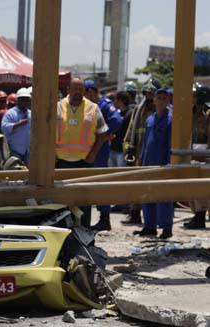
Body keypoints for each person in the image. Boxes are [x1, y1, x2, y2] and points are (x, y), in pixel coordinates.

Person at [56, 78, 109, 228]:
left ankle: (84, 234)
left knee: (84, 201)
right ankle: (64, 236)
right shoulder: (57, 107)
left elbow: (102, 133)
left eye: (81, 89)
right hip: (61, 163)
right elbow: (46, 132)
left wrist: (93, 154)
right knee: (62, 201)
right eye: (75, 89)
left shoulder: (93, 108)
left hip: (84, 163)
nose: (78, 93)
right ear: (68, 90)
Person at [83, 80, 123, 231]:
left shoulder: (104, 105)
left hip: (100, 151)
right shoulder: (87, 106)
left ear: (91, 91)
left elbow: (116, 121)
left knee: (99, 183)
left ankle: (104, 218)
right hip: (87, 149)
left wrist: (103, 135)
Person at [134, 88, 173, 239]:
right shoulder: (150, 119)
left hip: (163, 164)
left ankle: (166, 228)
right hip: (148, 163)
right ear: (154, 100)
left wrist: (170, 164)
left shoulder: (170, 120)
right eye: (159, 98)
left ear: (168, 101)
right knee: (147, 194)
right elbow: (145, 142)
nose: (161, 100)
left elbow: (171, 145)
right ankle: (149, 226)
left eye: (164, 98)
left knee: (164, 196)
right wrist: (141, 159)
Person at [122, 77, 161, 225]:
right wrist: (129, 149)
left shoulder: (164, 112)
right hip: (139, 155)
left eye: (152, 93)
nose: (149, 96)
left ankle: (154, 218)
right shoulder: (138, 110)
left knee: (155, 187)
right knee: (136, 185)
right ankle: (135, 214)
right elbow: (130, 131)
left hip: (156, 156)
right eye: (147, 93)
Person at [184, 83, 210, 229]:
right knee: (193, 187)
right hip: (192, 152)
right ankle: (197, 215)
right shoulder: (191, 113)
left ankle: (200, 217)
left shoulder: (208, 113)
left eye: (194, 96)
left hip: (204, 154)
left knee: (201, 189)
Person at [1, 87, 32, 165]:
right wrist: (18, 124)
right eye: (22, 99)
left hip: (28, 151)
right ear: (18, 100)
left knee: (29, 173)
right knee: (16, 172)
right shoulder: (10, 113)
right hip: (14, 150)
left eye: (27, 99)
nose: (25, 101)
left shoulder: (31, 114)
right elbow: (4, 127)